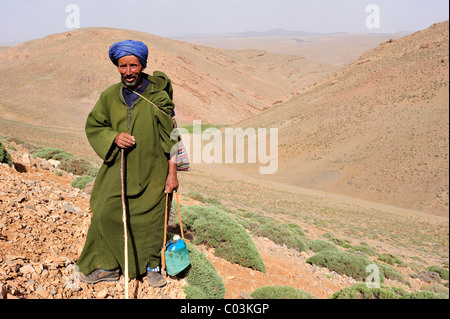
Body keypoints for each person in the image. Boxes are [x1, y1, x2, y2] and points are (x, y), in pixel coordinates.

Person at [76, 39, 179, 288]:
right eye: (123, 66)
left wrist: (172, 173)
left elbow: (174, 136)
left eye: (133, 65)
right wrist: (114, 137)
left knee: (151, 219)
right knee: (103, 212)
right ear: (117, 66)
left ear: (142, 65)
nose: (128, 72)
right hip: (118, 167)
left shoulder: (158, 96)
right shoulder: (110, 95)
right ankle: (107, 265)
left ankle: (151, 267)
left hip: (154, 170)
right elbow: (96, 125)